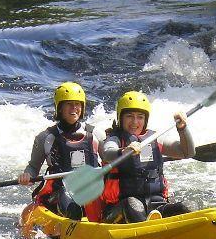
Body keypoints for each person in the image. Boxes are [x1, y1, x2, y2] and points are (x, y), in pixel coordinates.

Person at [100, 90, 195, 223]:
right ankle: (150, 234)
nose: (135, 122)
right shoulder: (114, 139)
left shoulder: (154, 139)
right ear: (120, 117)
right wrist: (124, 151)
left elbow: (187, 152)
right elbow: (107, 153)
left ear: (145, 120)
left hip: (156, 205)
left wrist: (182, 128)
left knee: (187, 207)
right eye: (129, 116)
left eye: (140, 117)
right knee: (132, 204)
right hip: (120, 209)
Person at [18, 81, 105, 221]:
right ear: (59, 108)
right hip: (59, 192)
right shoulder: (46, 138)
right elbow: (33, 167)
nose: (74, 108)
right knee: (66, 194)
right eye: (69, 104)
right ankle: (74, 224)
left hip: (91, 190)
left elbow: (110, 159)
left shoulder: (96, 134)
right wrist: (27, 175)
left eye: (77, 104)